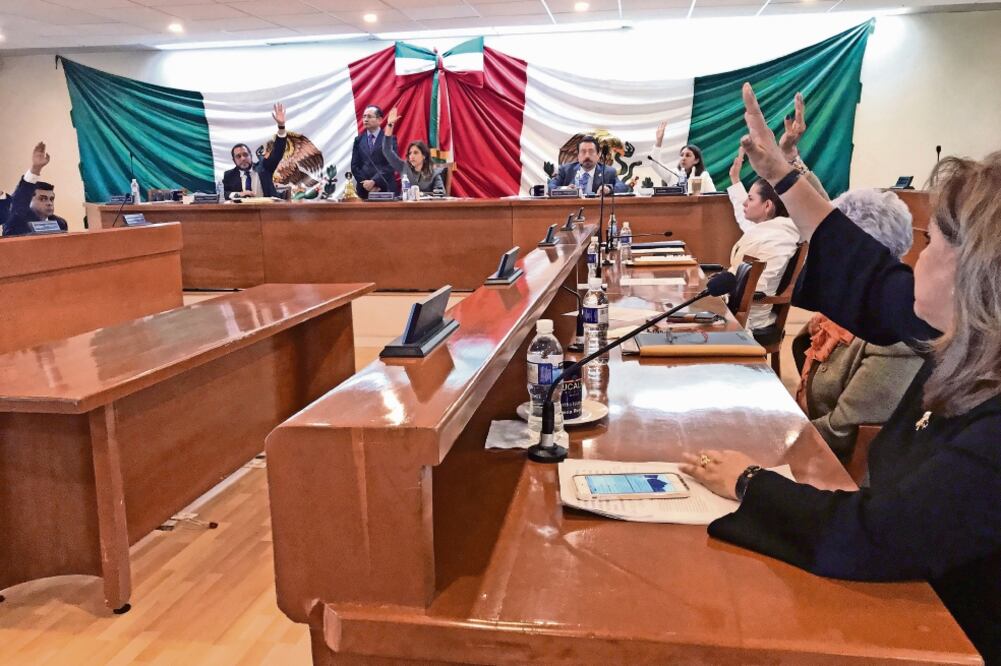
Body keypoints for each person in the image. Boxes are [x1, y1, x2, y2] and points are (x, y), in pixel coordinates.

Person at [681, 83, 1001, 661]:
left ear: (975, 274)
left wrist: (749, 483)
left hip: (951, 638)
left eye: (933, 242)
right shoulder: (965, 339)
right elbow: (869, 274)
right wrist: (782, 173)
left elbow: (876, 535)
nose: (917, 254)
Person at [792, 189, 923, 464]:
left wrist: (777, 436)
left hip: (843, 477)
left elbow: (843, 433)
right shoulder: (849, 304)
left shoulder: (894, 330)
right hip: (814, 446)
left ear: (854, 257)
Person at [725, 93, 827, 335]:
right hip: (739, 306)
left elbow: (823, 206)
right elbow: (745, 213)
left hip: (749, 317)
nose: (745, 205)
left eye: (751, 199)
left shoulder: (781, 234)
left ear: (769, 206)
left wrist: (789, 159)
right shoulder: (768, 228)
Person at [222, 103, 288, 199]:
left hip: (268, 211)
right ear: (234, 160)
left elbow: (278, 152)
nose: (243, 158)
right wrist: (238, 194)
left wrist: (281, 126)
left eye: (245, 154)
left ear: (251, 156)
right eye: (238, 156)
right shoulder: (229, 175)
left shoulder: (264, 167)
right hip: (241, 212)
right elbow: (225, 193)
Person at [3, 142, 68, 237]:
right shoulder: (16, 219)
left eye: (51, 199)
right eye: (42, 199)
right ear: (29, 200)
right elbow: (18, 201)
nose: (49, 203)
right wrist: (36, 169)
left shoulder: (60, 222)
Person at [382, 108, 445, 194]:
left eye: (416, 153)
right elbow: (387, 150)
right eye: (410, 153)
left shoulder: (433, 172)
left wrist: (421, 194)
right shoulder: (403, 167)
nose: (411, 156)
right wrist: (389, 126)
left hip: (426, 207)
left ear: (424, 156)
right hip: (405, 206)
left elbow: (441, 193)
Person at [547, 136, 630, 195]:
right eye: (583, 152)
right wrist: (565, 189)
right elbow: (551, 186)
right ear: (578, 156)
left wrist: (608, 189)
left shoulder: (608, 172)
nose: (587, 156)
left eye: (591, 152)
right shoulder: (566, 170)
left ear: (598, 155)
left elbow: (623, 187)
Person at [350, 105, 398, 200]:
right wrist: (366, 184)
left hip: (385, 188)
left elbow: (392, 164)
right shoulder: (358, 140)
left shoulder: (390, 139)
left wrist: (375, 181)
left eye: (369, 116)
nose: (365, 119)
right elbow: (355, 166)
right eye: (364, 116)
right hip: (364, 191)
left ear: (379, 120)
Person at [650, 126, 716, 192]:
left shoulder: (703, 176)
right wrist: (658, 141)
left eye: (688, 155)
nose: (683, 158)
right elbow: (654, 163)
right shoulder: (673, 174)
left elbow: (714, 197)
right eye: (681, 155)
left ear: (696, 160)